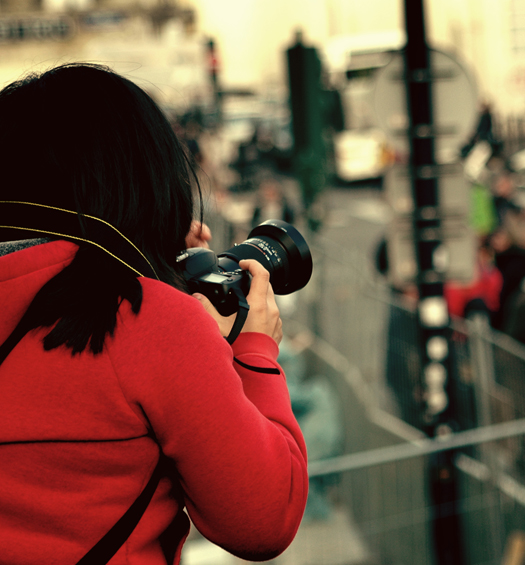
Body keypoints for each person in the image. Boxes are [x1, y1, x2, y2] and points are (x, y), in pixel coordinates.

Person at [0, 64, 308, 564]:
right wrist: (253, 350)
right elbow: (264, 520)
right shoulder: (147, 322)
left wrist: (153, 265)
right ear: (139, 180)